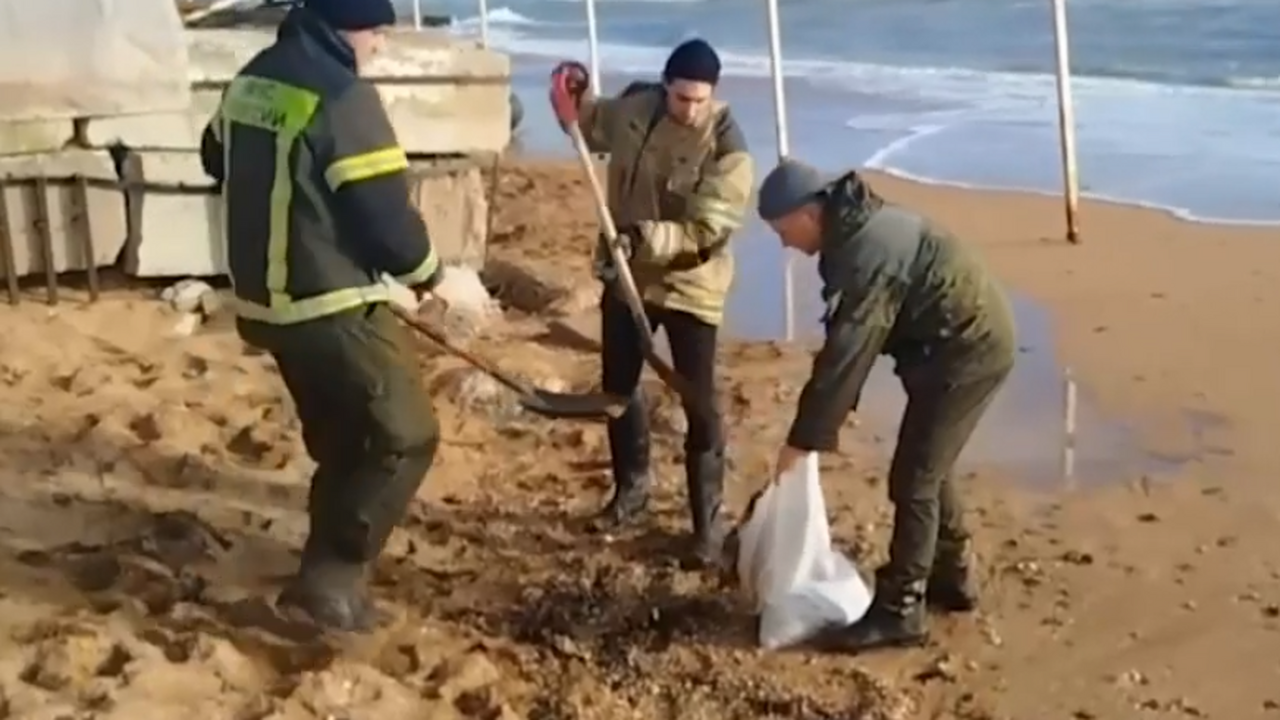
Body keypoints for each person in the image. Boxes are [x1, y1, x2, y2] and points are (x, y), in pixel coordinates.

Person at [198, 0, 455, 632]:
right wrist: (431, 277)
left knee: (344, 441)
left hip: (264, 299)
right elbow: (385, 219)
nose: (379, 46)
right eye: (376, 32)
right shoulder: (342, 97)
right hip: (329, 301)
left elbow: (214, 155)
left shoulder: (255, 75)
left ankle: (322, 570)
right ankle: (332, 581)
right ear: (344, 29)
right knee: (403, 436)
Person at [756, 160, 1017, 652]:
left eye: (782, 230)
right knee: (931, 467)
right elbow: (853, 344)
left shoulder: (862, 252)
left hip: (967, 352)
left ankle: (901, 612)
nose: (783, 243)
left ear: (809, 213)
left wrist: (804, 441)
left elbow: (846, 355)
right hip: (946, 347)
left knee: (914, 479)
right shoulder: (852, 231)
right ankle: (953, 578)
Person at [547, 40, 754, 566]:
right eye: (681, 97)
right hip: (626, 279)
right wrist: (572, 93)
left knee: (699, 404)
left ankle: (706, 525)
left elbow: (708, 230)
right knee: (619, 389)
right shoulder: (636, 109)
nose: (689, 109)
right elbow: (590, 126)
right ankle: (630, 494)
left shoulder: (729, 147)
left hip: (690, 288)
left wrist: (644, 238)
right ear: (666, 86)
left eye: (699, 100)